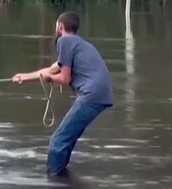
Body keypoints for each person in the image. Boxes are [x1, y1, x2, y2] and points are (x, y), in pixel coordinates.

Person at [13, 11, 114, 177]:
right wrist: (24, 77)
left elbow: (64, 78)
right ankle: (62, 180)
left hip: (91, 95)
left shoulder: (64, 41)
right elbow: (51, 70)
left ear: (60, 26)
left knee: (58, 140)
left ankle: (53, 178)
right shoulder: (77, 44)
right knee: (67, 139)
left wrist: (50, 79)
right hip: (100, 95)